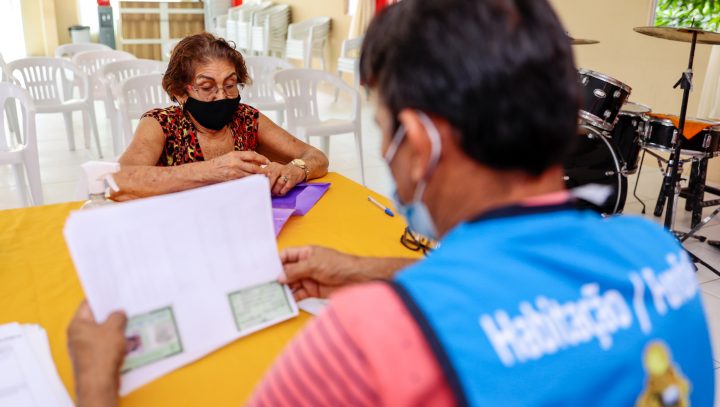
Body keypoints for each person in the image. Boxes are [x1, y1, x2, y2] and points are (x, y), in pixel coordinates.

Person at [67, 0, 715, 405]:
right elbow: (523, 289)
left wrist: (95, 383)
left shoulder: (367, 340)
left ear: (424, 141)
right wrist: (370, 267)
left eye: (383, 130)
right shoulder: (656, 254)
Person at [110, 33, 328, 201]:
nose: (222, 96)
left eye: (231, 85)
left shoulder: (246, 118)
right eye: (207, 87)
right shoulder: (161, 124)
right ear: (180, 92)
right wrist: (213, 170)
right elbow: (118, 180)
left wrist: (296, 169)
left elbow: (317, 157)